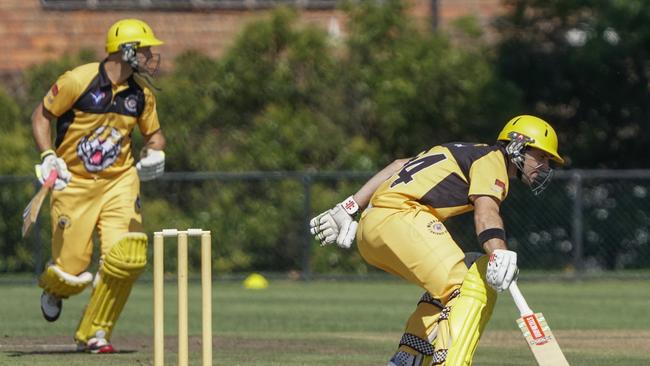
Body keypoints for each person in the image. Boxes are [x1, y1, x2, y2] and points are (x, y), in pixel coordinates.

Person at [310, 115, 564, 366]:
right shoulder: (493, 161)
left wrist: (349, 206)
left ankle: (409, 357)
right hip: (401, 218)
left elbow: (398, 164)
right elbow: (486, 213)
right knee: (465, 286)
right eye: (541, 157)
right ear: (517, 146)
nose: (544, 166)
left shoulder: (464, 150)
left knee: (467, 271)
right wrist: (499, 253)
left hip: (370, 227)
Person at [31, 18, 167, 353]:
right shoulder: (79, 80)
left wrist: (155, 154)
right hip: (72, 183)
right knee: (71, 273)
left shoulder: (141, 96)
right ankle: (54, 287)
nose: (151, 56)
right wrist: (49, 155)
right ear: (127, 51)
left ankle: (96, 332)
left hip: (119, 182)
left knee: (127, 257)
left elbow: (155, 136)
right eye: (145, 49)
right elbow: (41, 116)